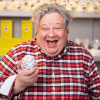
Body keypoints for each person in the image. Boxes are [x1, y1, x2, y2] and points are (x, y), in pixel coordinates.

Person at [0, 3, 100, 100]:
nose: (51, 34)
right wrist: (18, 83)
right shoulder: (18, 53)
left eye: (57, 28)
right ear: (37, 32)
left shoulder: (84, 57)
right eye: (45, 28)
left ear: (66, 30)